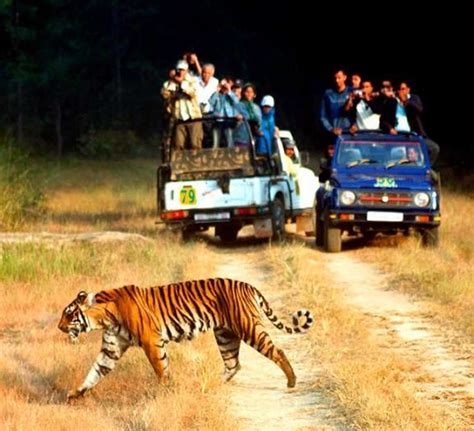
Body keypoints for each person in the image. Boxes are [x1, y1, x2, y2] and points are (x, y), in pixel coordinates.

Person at [161, 59, 203, 151]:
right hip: (179, 119)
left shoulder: (193, 80)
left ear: (187, 70)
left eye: (182, 70)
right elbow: (165, 95)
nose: (180, 72)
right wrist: (172, 81)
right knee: (178, 145)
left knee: (195, 144)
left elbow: (192, 93)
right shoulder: (171, 82)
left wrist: (181, 82)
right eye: (178, 69)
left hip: (193, 118)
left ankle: (196, 164)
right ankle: (180, 165)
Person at [397, 81, 440, 165]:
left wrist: (405, 102)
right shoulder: (393, 101)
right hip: (399, 136)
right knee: (406, 156)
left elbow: (418, 109)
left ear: (408, 90)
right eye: (399, 89)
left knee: (434, 148)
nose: (401, 91)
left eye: (403, 89)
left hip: (414, 135)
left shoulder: (413, 98)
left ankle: (426, 169)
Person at [320, 69, 352, 141]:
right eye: (335, 78)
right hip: (333, 135)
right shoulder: (328, 94)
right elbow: (323, 115)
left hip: (350, 134)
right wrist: (331, 129)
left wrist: (355, 126)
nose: (337, 80)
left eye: (339, 77)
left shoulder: (351, 91)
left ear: (345, 77)